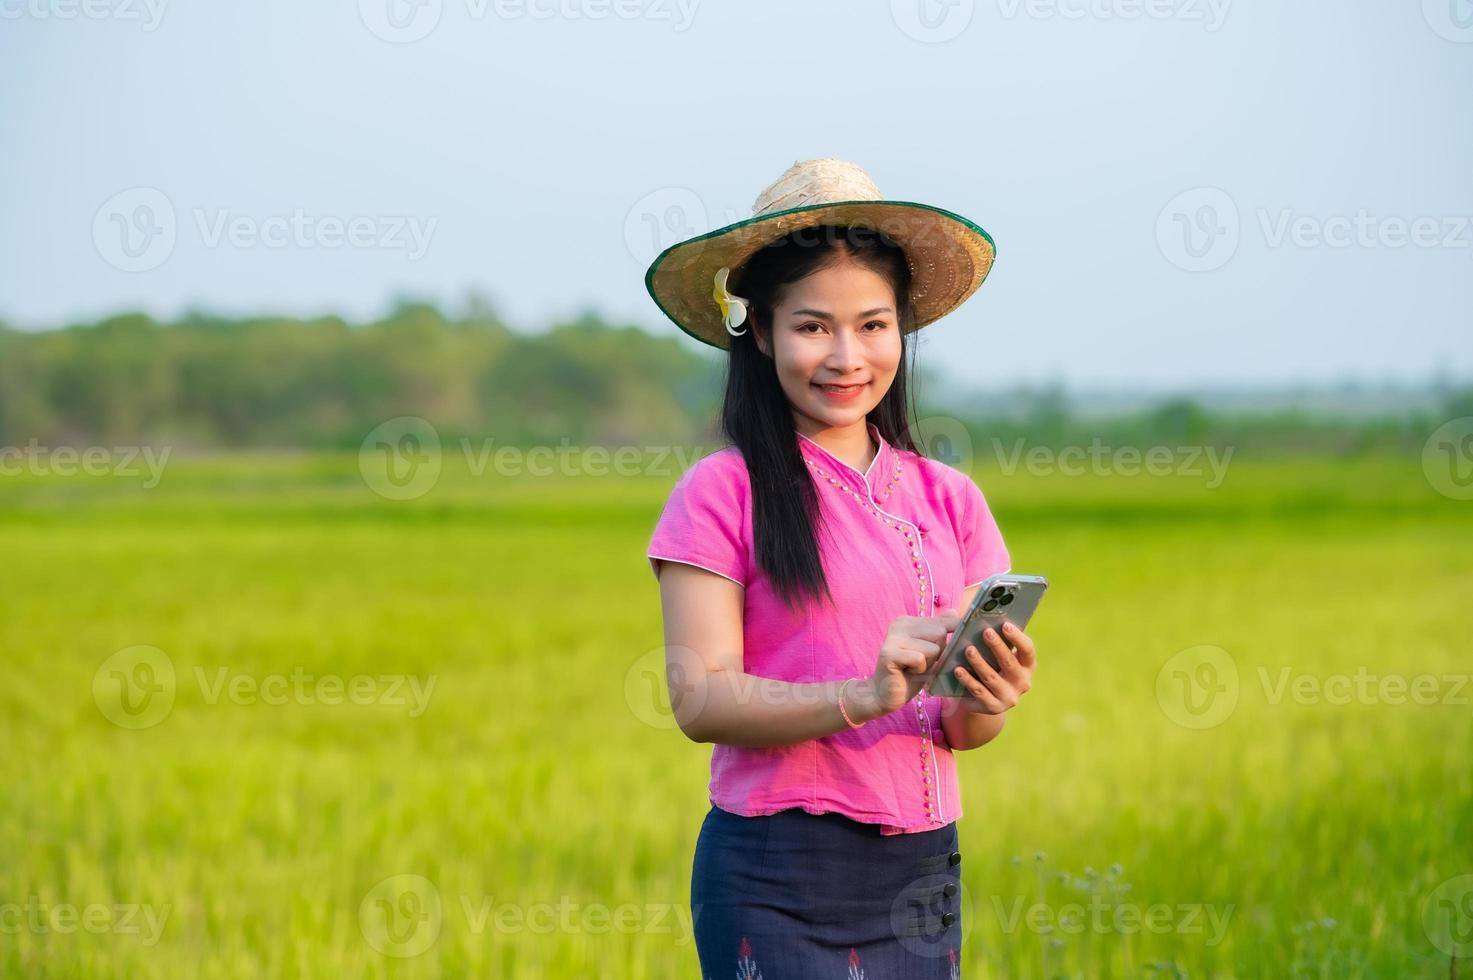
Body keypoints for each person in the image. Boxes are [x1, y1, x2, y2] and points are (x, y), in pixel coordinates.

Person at [644, 158, 1039, 978]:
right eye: (813, 326)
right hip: (773, 869)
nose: (846, 356)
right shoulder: (721, 493)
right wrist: (861, 696)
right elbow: (698, 696)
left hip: (922, 872)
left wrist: (990, 696)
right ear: (758, 329)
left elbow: (962, 730)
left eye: (873, 324)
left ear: (901, 330)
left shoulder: (950, 499)